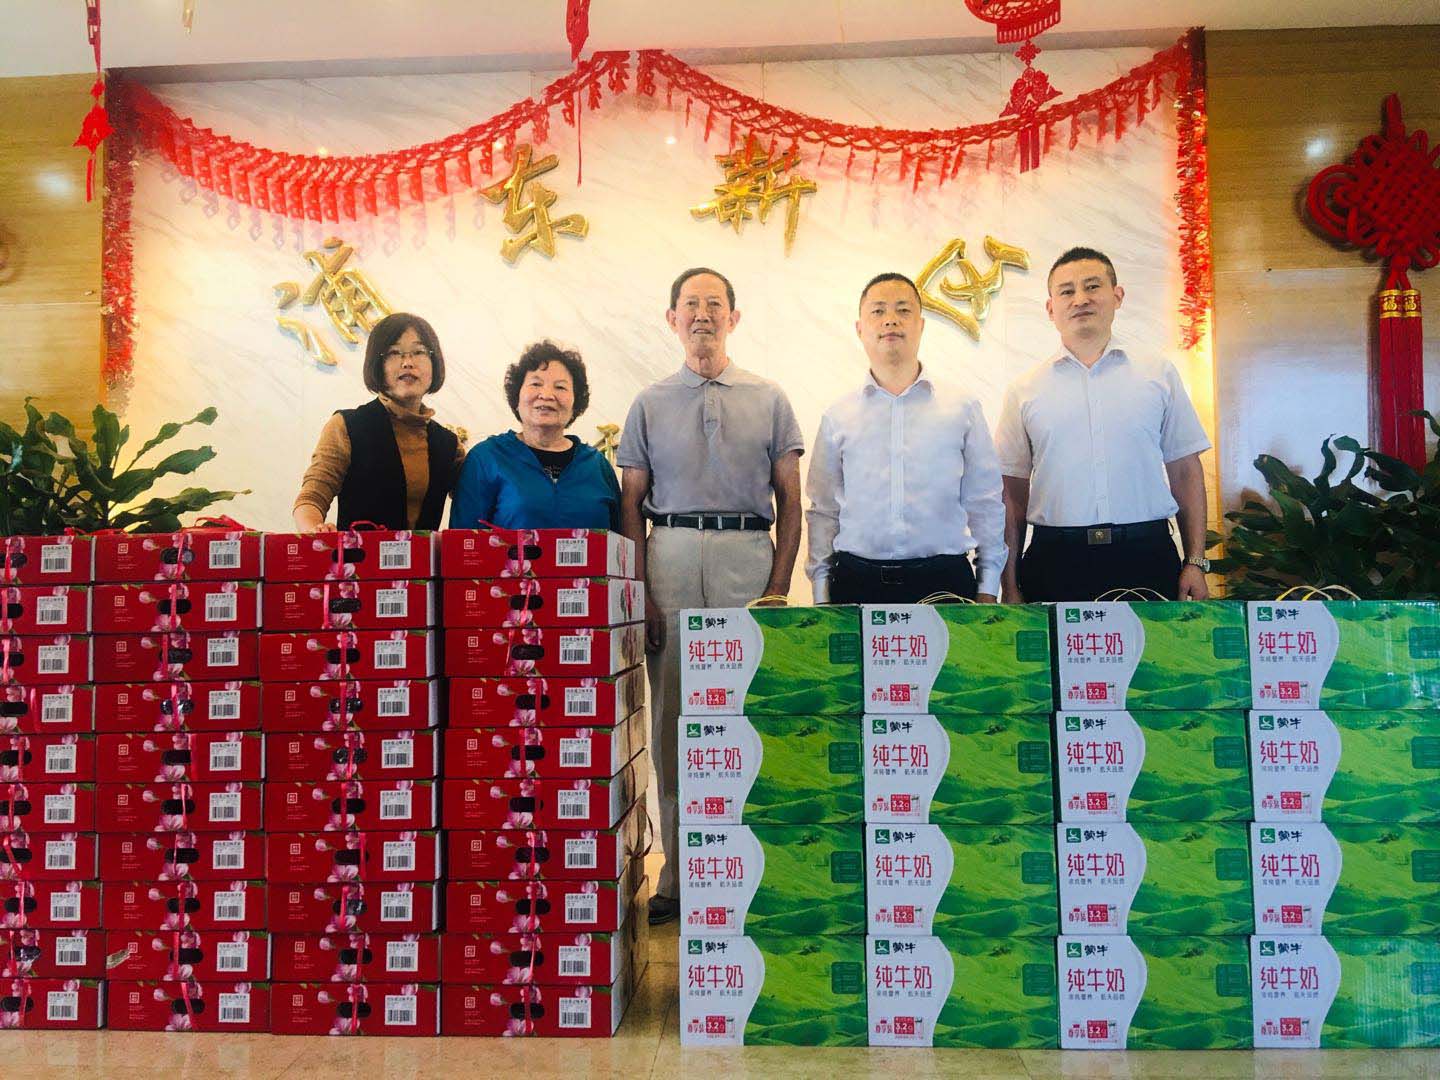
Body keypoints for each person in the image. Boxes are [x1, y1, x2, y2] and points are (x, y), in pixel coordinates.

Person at [617, 267, 804, 926]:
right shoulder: (648, 402)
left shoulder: (769, 397)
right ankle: (676, 876)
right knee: (672, 721)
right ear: (672, 318)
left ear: (734, 316)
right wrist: (643, 595)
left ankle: (746, 868)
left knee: (744, 715)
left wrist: (778, 587)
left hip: (745, 555)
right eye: (690, 304)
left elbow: (791, 499)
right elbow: (631, 506)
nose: (702, 314)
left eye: (714, 303)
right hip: (669, 553)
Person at [994, 247, 1213, 603]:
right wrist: (1010, 583)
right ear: (1050, 309)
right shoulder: (1025, 390)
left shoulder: (1158, 374)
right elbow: (1011, 494)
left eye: (1092, 286)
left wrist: (1195, 561)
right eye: (1066, 291)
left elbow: (1185, 470)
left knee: (1155, 644)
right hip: (1056, 561)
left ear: (1117, 296)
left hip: (1146, 555)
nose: (1080, 299)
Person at [806, 272, 1006, 604]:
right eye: (878, 311)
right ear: (860, 328)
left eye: (903, 310)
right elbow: (823, 510)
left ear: (921, 325)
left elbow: (985, 502)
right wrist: (821, 593)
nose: (891, 320)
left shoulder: (962, 408)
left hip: (944, 582)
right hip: (858, 583)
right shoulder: (838, 415)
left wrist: (988, 587)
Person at [292, 312, 462, 532]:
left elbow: (479, 498)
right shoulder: (347, 426)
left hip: (425, 556)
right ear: (377, 364)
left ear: (434, 363)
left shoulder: (449, 444)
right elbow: (311, 499)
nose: (408, 363)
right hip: (358, 555)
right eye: (394, 353)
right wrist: (315, 532)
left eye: (419, 352)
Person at [450, 340, 619, 530]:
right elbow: (463, 540)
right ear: (517, 396)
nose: (546, 395)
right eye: (536, 384)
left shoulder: (597, 465)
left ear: (575, 402)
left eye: (560, 387)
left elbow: (619, 541)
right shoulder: (486, 458)